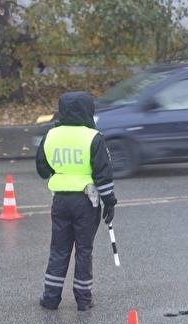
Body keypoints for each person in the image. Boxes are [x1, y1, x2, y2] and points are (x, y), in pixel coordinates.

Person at [36, 91, 117, 311]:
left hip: (60, 201)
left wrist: (60, 172)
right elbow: (103, 173)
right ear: (88, 110)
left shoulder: (51, 135)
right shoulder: (93, 137)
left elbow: (42, 169)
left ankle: (51, 297)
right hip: (86, 202)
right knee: (83, 249)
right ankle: (83, 299)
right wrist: (109, 202)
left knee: (59, 249)